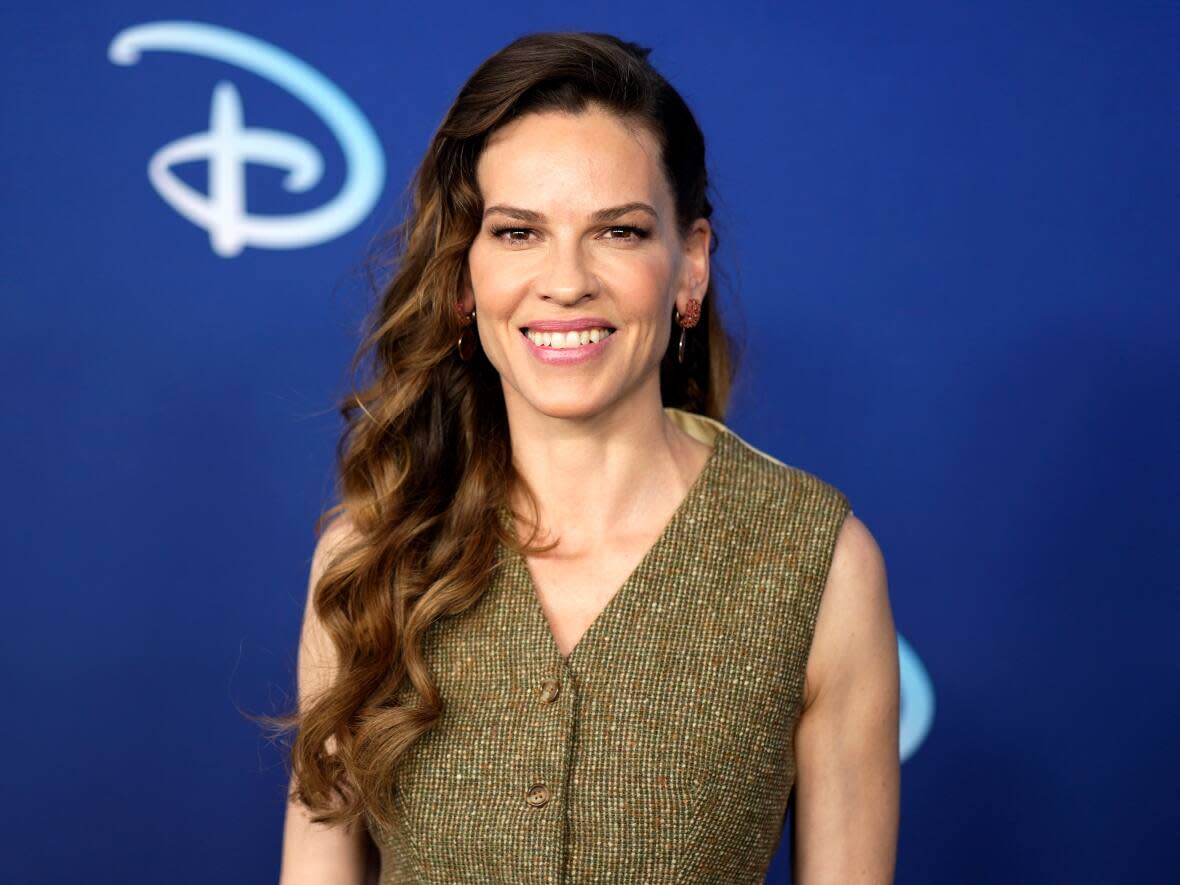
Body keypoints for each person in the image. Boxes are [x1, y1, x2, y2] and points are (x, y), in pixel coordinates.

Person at [273, 30, 899, 884]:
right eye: (519, 231)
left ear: (691, 267)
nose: (566, 280)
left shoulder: (817, 564)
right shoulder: (367, 558)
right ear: (465, 277)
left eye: (619, 231)